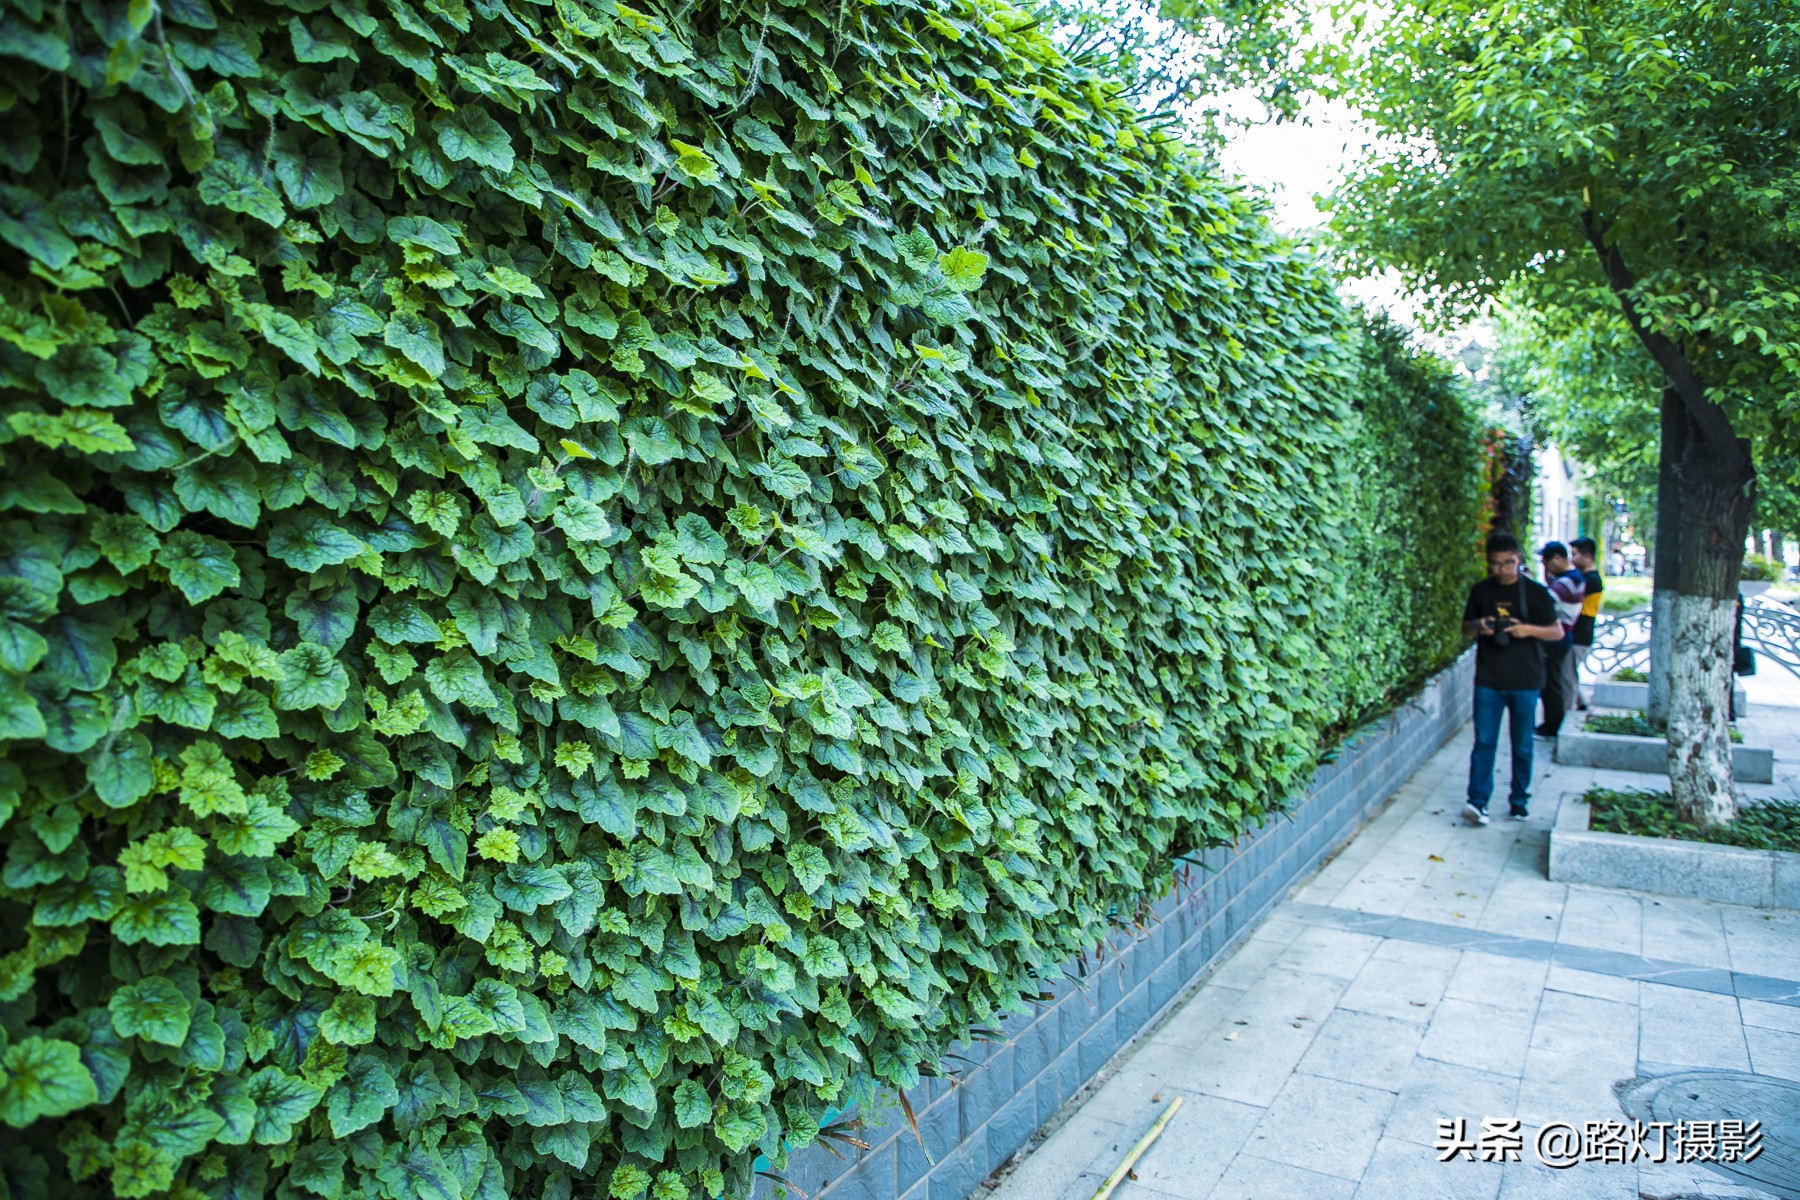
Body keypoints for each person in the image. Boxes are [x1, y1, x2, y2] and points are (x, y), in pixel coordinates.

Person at [1461, 533, 1564, 825]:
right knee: (1484, 742)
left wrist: (1526, 630)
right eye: (1496, 564)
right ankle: (1477, 802)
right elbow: (1465, 628)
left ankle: (1519, 802)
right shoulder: (1481, 591)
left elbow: (1556, 632)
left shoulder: (1535, 592)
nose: (1503, 569)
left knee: (1521, 744)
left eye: (1509, 563)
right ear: (1488, 563)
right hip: (1489, 679)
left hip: (1525, 679)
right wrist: (1481, 625)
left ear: (1518, 559)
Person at [1534, 542, 1586, 739]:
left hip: (1557, 637)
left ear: (1557, 558)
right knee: (1552, 681)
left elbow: (1544, 601)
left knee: (1551, 683)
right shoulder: (1569, 578)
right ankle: (1551, 723)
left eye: (1546, 562)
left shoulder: (1568, 581)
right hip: (1562, 636)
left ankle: (1552, 726)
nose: (1546, 567)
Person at [1569, 537, 1604, 710]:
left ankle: (1577, 704)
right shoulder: (1587, 578)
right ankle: (1582, 702)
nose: (1571, 559)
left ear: (1587, 556)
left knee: (1568, 674)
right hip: (1581, 632)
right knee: (1569, 673)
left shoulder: (1590, 581)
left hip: (1580, 633)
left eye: (1574, 554)